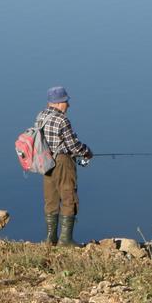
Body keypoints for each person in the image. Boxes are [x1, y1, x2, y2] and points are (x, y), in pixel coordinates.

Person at [36, 86, 92, 246]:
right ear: (59, 102)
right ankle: (65, 240)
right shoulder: (62, 120)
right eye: (66, 101)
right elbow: (73, 146)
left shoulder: (41, 116)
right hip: (62, 162)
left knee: (51, 199)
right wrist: (87, 152)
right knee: (69, 198)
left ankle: (50, 238)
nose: (68, 105)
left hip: (45, 162)